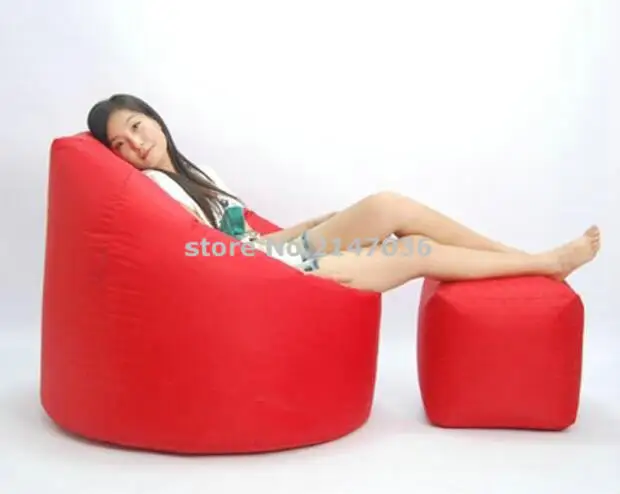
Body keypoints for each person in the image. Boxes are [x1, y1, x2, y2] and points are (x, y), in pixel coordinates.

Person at [86, 93, 601, 292]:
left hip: (276, 254)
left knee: (387, 206)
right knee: (413, 250)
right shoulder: (154, 188)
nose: (136, 144)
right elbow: (214, 255)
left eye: (137, 126)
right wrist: (290, 245)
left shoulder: (200, 175)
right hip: (273, 275)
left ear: (155, 119)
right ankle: (543, 263)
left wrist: (305, 227)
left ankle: (519, 256)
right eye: (120, 144)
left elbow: (240, 239)